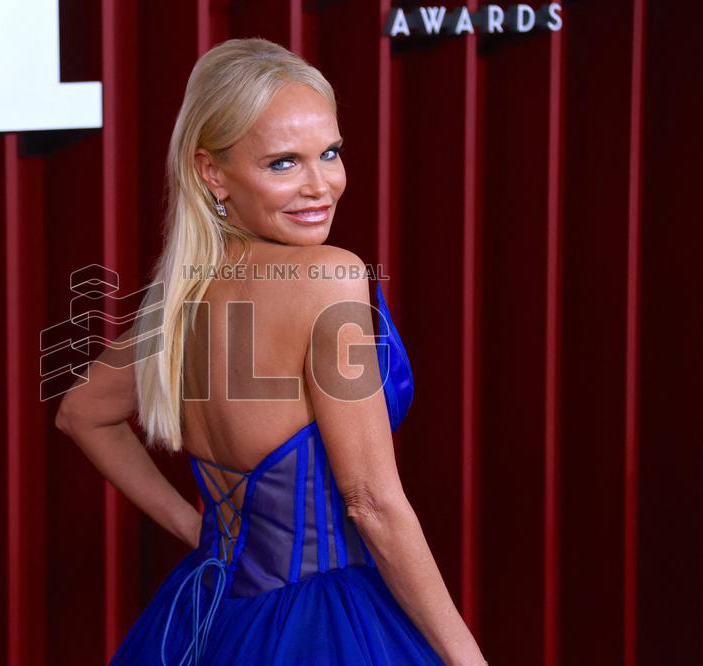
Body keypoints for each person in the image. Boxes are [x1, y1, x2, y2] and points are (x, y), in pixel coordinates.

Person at [55, 37, 487, 666]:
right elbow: (371, 503)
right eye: (283, 163)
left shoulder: (183, 296)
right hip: (326, 628)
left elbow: (82, 412)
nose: (321, 186)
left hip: (210, 615)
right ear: (212, 172)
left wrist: (198, 531)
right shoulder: (328, 277)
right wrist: (467, 658)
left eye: (330, 153)